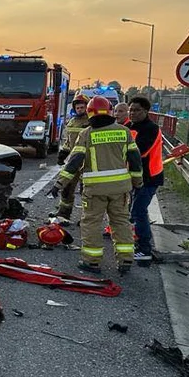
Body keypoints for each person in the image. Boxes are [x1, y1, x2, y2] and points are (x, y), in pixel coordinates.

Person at [53, 95, 142, 274]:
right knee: (121, 223)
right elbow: (135, 159)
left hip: (95, 190)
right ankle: (125, 260)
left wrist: (59, 184)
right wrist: (137, 182)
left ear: (89, 113)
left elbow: (74, 161)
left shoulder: (86, 134)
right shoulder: (123, 132)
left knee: (92, 224)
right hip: (120, 190)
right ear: (110, 111)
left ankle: (92, 261)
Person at [128, 96, 164, 261]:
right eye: (131, 109)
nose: (132, 113)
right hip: (134, 177)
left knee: (138, 212)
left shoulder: (151, 128)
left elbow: (140, 151)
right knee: (134, 211)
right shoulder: (129, 126)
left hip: (149, 177)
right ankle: (138, 243)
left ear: (145, 111)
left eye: (136, 110)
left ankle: (145, 249)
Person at [52, 93, 89, 223]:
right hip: (73, 162)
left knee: (86, 193)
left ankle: (86, 218)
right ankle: (64, 214)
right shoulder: (72, 122)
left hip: (87, 163)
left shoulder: (91, 122)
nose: (80, 110)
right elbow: (68, 142)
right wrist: (62, 155)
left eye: (82, 107)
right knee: (67, 189)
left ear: (87, 107)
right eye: (77, 108)